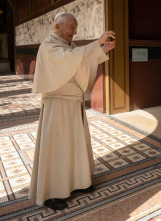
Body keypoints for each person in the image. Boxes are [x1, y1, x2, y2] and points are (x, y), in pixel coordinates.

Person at [28, 12, 116, 210]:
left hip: (73, 104)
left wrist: (101, 50)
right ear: (57, 27)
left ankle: (78, 182)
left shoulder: (69, 47)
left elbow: (80, 62)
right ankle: (52, 193)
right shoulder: (49, 46)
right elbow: (72, 59)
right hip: (57, 105)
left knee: (74, 145)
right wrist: (97, 43)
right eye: (72, 27)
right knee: (58, 148)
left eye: (76, 28)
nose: (75, 32)